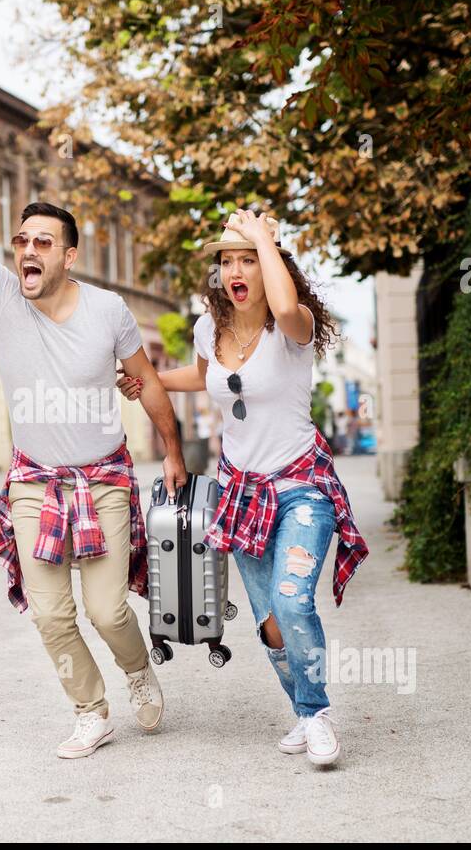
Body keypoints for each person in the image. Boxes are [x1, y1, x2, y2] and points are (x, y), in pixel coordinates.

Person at [0, 90, 188, 759]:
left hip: (103, 479)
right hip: (34, 483)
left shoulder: (108, 313)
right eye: (21, 240)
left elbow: (147, 381)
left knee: (107, 610)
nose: (27, 250)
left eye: (42, 241)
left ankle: (137, 670)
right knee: (51, 614)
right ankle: (91, 709)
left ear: (69, 255)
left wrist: (173, 450)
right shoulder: (1, 300)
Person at [119, 209, 368, 767]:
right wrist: (149, 383)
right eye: (227, 260)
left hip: (302, 485)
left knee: (292, 598)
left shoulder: (293, 326)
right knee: (269, 622)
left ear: (270, 265)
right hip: (241, 493)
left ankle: (318, 713)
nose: (235, 269)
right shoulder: (211, 328)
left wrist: (263, 236)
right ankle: (304, 713)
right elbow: (202, 377)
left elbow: (283, 305)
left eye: (247, 260)